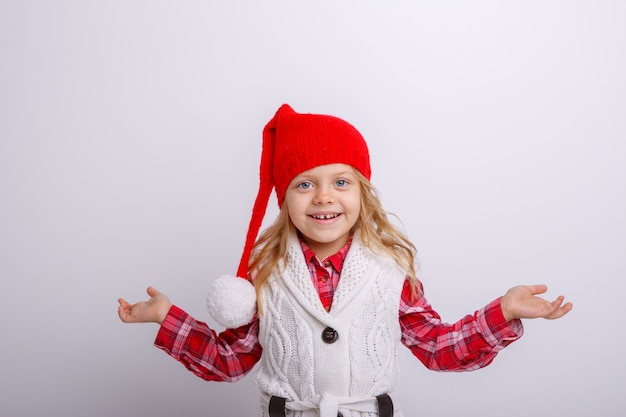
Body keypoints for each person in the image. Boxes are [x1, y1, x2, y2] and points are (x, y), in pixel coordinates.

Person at [118, 104, 572, 417]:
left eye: (340, 182)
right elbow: (228, 361)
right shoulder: (267, 275)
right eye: (304, 184)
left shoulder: (389, 269)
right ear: (285, 198)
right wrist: (166, 318)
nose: (323, 198)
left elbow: (436, 348)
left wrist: (504, 311)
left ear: (362, 191)